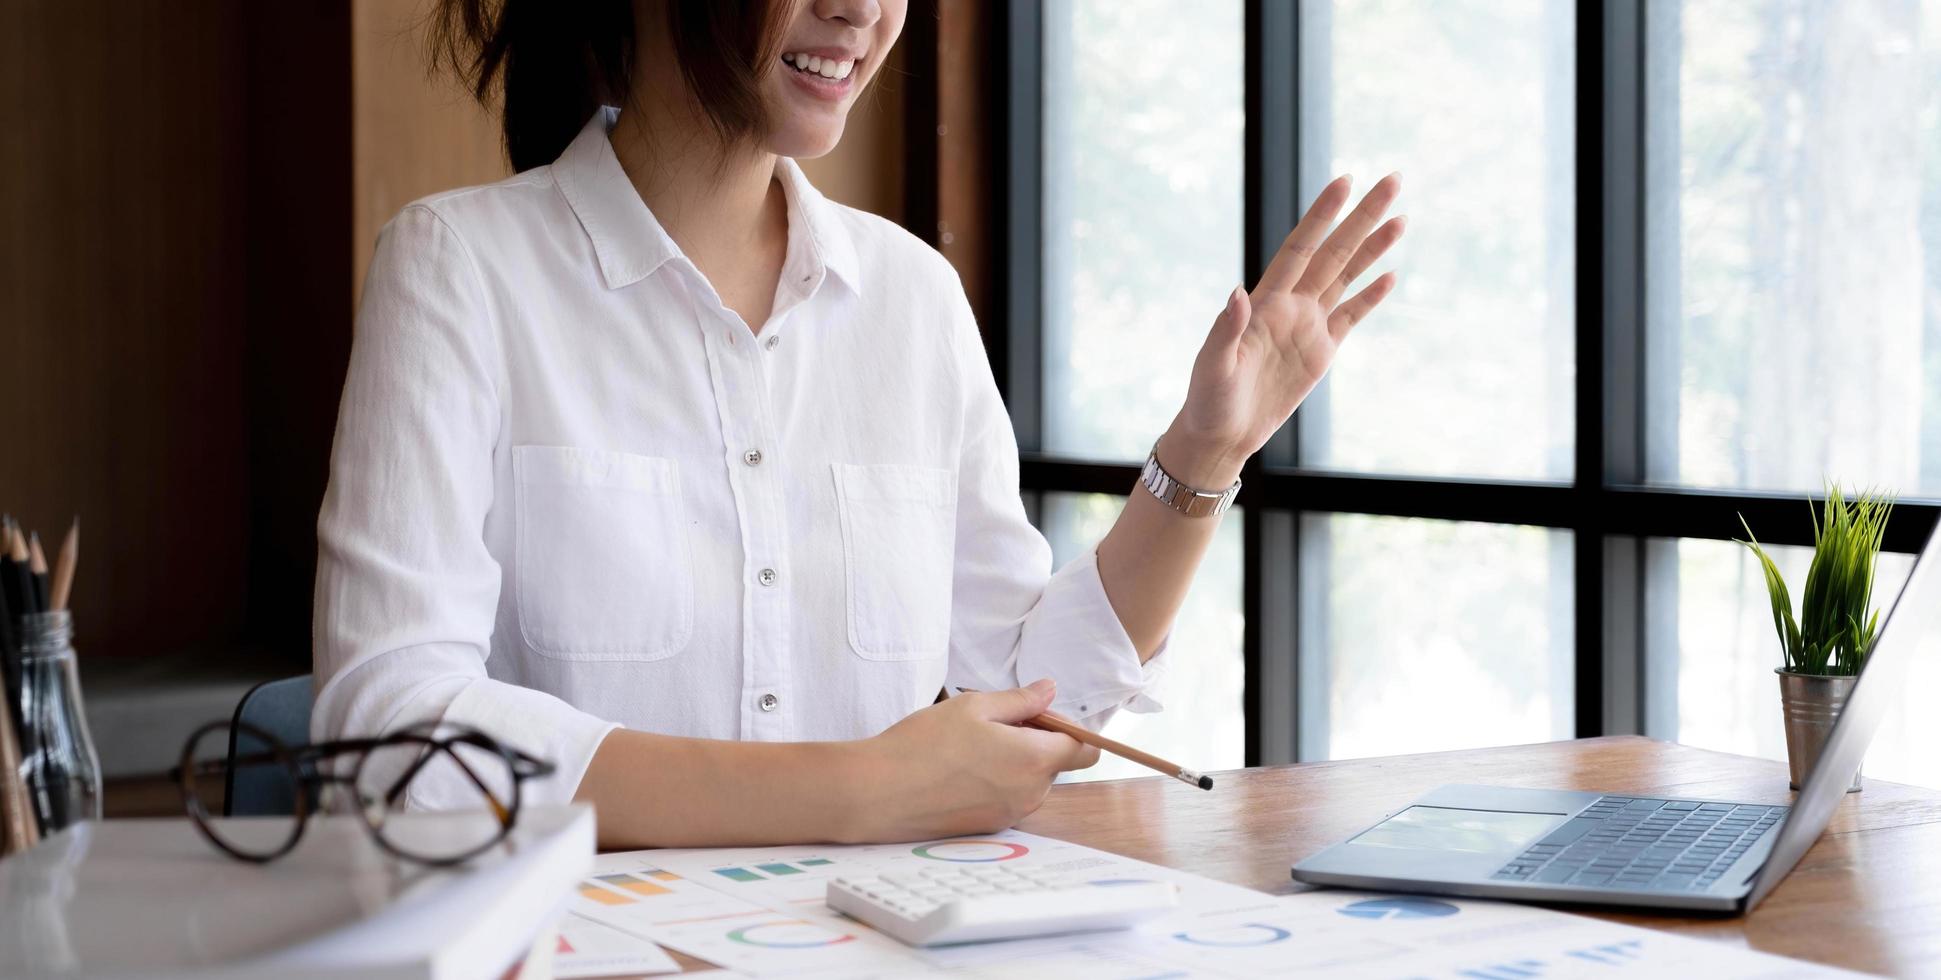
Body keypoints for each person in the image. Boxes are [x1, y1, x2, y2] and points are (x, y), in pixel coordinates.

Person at [312, 0, 1403, 848]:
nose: (861, 11)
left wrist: (1205, 454)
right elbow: (389, 726)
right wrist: (859, 786)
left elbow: (1021, 695)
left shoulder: (911, 297)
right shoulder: (459, 270)